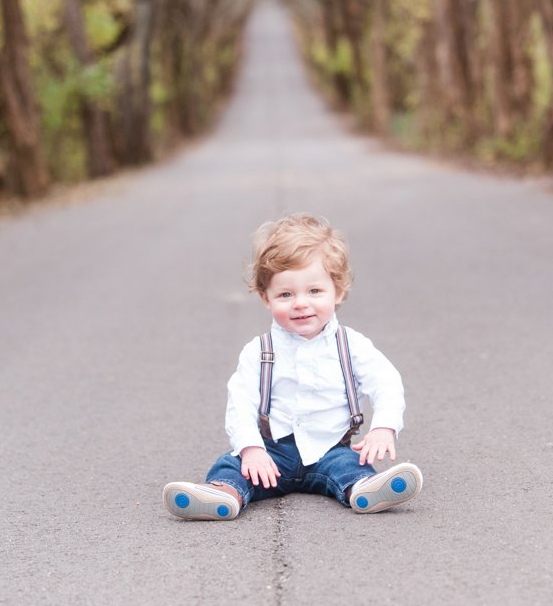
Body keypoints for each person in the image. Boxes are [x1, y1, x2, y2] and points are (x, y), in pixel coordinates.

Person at [163, 213, 422, 520]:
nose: (300, 303)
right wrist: (251, 449)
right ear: (265, 297)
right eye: (285, 294)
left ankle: (364, 491)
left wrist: (384, 428)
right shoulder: (258, 351)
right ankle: (224, 494)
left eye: (314, 291)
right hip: (272, 452)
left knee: (352, 466)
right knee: (231, 465)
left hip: (331, 447)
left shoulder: (352, 345)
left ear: (337, 291)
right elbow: (241, 403)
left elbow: (386, 383)